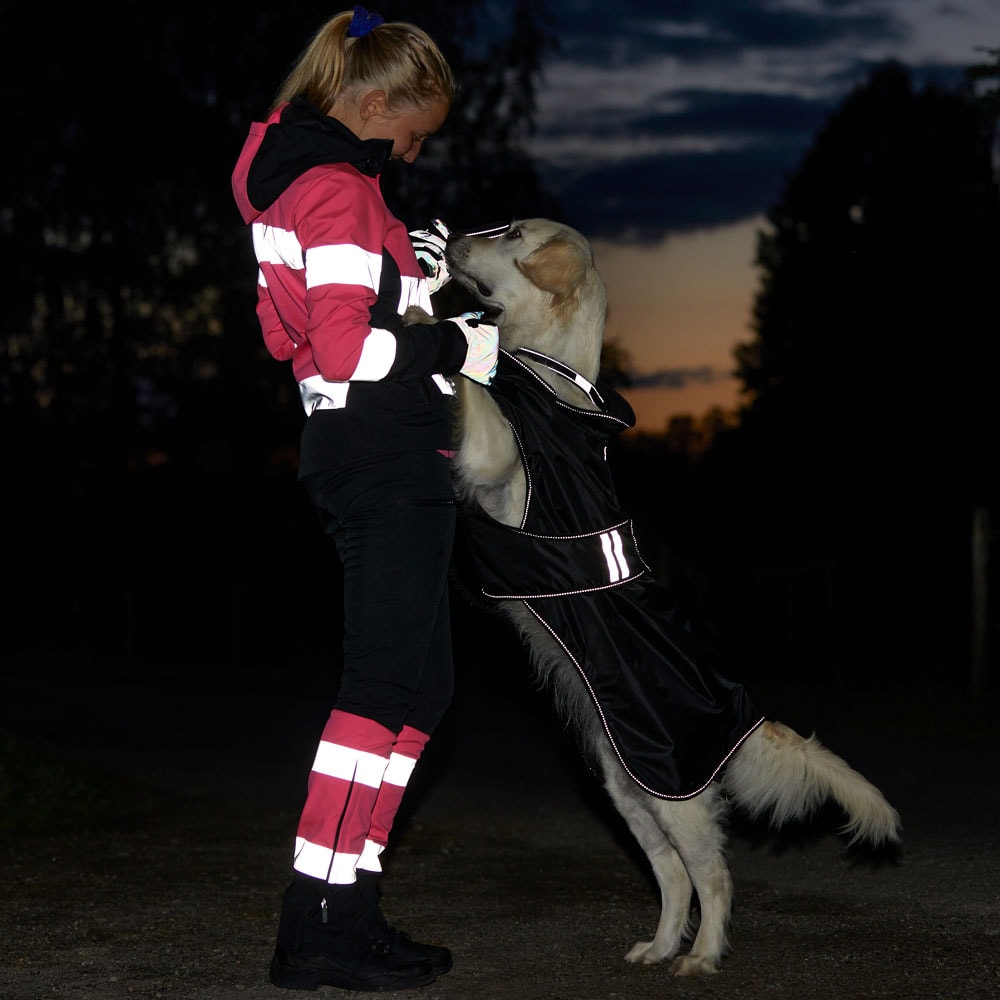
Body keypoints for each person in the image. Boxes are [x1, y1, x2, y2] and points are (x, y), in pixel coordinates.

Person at [230, 6, 499, 993]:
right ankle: (315, 923)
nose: (414, 153)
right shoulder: (337, 187)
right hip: (381, 457)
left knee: (418, 693)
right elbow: (346, 350)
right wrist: (455, 344)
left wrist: (412, 289)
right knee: (382, 691)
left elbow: (284, 336)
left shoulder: (300, 184)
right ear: (373, 102)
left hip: (364, 449)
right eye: (413, 133)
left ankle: (349, 903)